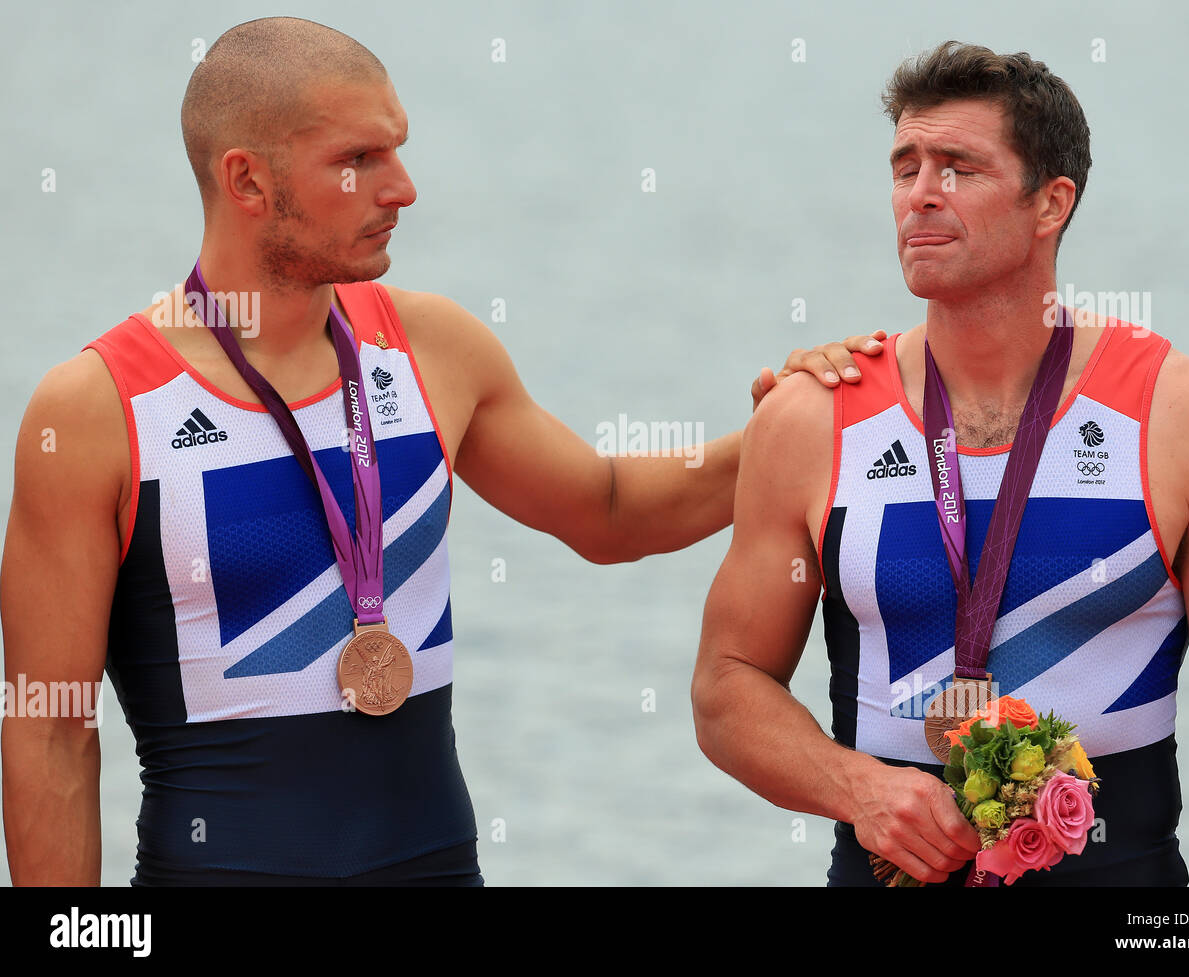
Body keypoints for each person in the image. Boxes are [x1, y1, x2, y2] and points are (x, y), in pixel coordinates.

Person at [0, 17, 885, 886]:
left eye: (399, 149)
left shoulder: (432, 350)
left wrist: (795, 428)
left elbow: (610, 510)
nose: (404, 188)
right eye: (361, 160)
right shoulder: (97, 409)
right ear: (248, 180)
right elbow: (50, 729)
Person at [691, 41, 1189, 886]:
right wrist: (860, 786)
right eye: (905, 167)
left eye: (958, 168)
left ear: (1051, 204)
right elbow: (726, 685)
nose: (920, 194)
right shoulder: (810, 415)